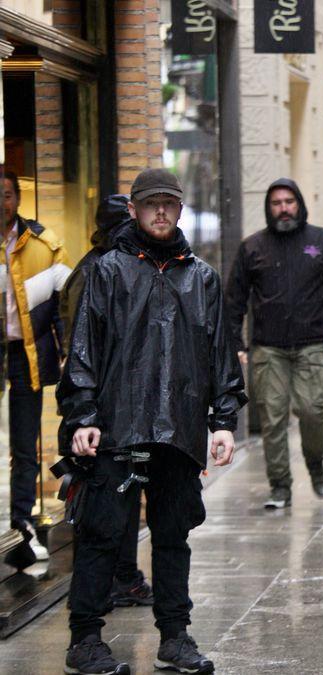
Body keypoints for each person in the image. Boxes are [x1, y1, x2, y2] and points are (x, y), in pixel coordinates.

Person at [58, 168, 246, 675]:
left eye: (169, 203)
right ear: (136, 210)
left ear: (180, 209)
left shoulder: (201, 278)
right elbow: (83, 352)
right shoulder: (108, 271)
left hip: (178, 431)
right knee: (102, 532)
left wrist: (223, 421)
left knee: (172, 534)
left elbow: (219, 355)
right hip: (116, 429)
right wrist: (82, 416)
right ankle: (86, 639)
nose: (160, 211)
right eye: (150, 204)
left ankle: (175, 635)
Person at [225, 178, 323, 509]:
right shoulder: (252, 247)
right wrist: (234, 342)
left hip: (312, 344)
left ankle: (315, 463)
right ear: (269, 209)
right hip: (267, 348)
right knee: (273, 417)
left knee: (312, 410)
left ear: (299, 203)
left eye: (289, 201)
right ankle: (280, 485)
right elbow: (234, 300)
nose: (283, 208)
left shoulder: (321, 241)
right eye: (276, 203)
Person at [60, 194, 153, 611]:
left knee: (127, 492)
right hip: (100, 410)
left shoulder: (107, 267)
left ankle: (124, 577)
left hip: (117, 409)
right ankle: (103, 596)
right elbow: (84, 348)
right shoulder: (98, 271)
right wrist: (85, 413)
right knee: (101, 506)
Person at [0, 170, 70, 570]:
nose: (2, 202)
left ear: (18, 198)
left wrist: (66, 352)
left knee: (25, 446)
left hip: (26, 355)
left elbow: (67, 304)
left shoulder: (45, 245)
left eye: (7, 194)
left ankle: (22, 525)